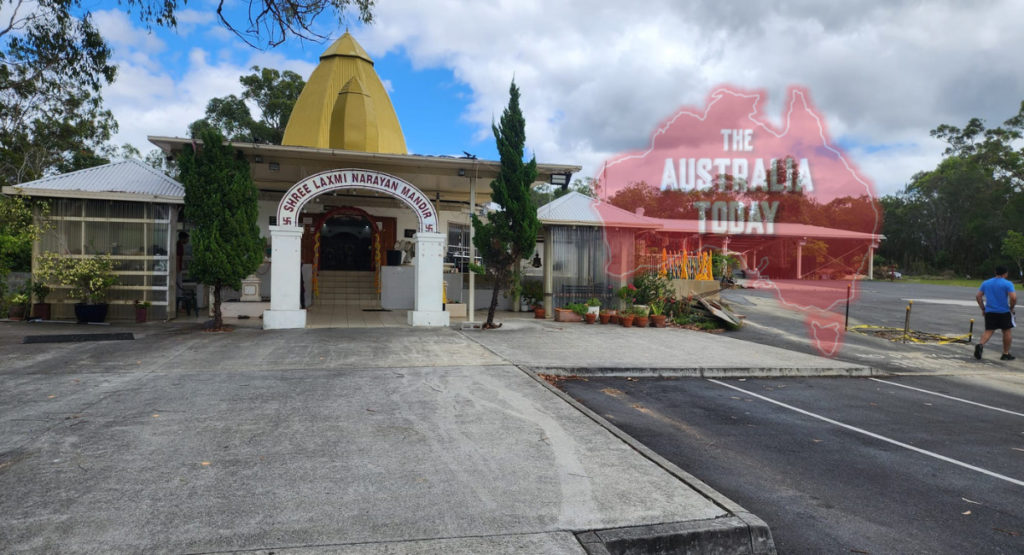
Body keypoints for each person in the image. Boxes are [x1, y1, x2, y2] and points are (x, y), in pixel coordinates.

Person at [975, 266, 1016, 360]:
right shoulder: (1008, 284)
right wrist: (1011, 307)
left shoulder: (986, 283)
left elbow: (978, 296)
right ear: (1005, 273)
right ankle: (1005, 353)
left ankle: (980, 345)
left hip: (990, 311)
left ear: (995, 272)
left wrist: (983, 308)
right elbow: (1013, 298)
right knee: (1006, 331)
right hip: (1003, 311)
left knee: (989, 330)